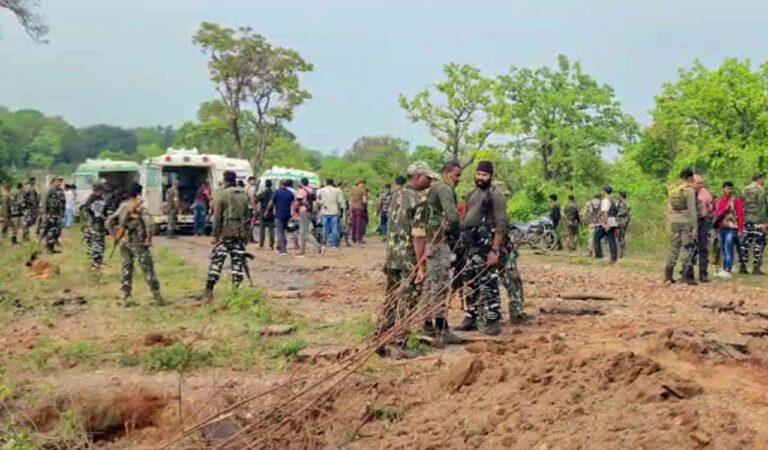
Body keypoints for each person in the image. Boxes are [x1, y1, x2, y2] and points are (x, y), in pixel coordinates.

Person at [377, 162, 435, 356]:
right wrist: (420, 265)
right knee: (407, 298)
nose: (430, 181)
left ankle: (382, 335)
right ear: (417, 176)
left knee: (391, 298)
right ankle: (398, 342)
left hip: (393, 255)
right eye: (428, 177)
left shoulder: (396, 196)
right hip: (409, 256)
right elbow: (418, 235)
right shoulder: (419, 201)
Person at [455, 161, 506, 336]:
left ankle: (493, 319)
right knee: (469, 281)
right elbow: (465, 215)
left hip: (486, 243)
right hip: (470, 243)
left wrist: (495, 249)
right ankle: (471, 316)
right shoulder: (470, 193)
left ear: (491, 176)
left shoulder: (496, 195)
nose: (480, 178)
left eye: (484, 175)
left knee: (488, 282)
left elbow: (501, 223)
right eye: (478, 174)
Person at [421, 160, 463, 344]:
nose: (459, 179)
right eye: (457, 175)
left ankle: (427, 323)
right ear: (447, 173)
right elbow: (452, 216)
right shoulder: (445, 189)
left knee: (430, 282)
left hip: (428, 240)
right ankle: (441, 328)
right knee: (440, 283)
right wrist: (456, 233)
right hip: (438, 241)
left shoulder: (433, 188)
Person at [106, 182, 166, 306]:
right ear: (139, 192)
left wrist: (116, 236)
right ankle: (157, 296)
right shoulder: (141, 207)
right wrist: (148, 239)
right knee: (148, 269)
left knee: (126, 268)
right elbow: (149, 224)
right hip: (139, 243)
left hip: (125, 242)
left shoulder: (123, 206)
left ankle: (126, 296)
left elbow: (109, 222)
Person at [198, 171, 249, 300]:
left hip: (226, 232)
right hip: (240, 231)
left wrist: (215, 235)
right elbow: (248, 215)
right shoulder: (243, 194)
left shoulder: (221, 194)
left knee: (217, 260)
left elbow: (217, 216)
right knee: (237, 261)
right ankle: (236, 291)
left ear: (225, 180)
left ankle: (208, 291)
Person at [664, 168, 698, 285]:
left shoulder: (673, 189)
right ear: (689, 177)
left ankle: (668, 276)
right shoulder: (688, 191)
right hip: (685, 220)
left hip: (674, 220)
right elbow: (692, 210)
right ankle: (686, 276)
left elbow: (670, 207)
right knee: (686, 247)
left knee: (673, 248)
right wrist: (694, 227)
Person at [685, 175, 714, 282]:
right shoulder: (686, 192)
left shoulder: (705, 192)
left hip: (702, 221)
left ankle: (703, 273)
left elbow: (710, 206)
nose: (701, 185)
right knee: (689, 248)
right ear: (692, 183)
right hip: (689, 222)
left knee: (703, 247)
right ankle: (688, 273)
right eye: (699, 183)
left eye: (702, 183)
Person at [738, 173, 768, 275]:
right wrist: (764, 222)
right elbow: (762, 207)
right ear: (759, 179)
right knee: (759, 243)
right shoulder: (760, 191)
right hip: (757, 220)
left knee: (744, 244)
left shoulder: (744, 190)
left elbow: (740, 205)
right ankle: (756, 267)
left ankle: (742, 266)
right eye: (763, 179)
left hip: (746, 219)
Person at [713, 181, 744, 278]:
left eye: (730, 189)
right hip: (721, 228)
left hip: (732, 228)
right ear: (723, 189)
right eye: (727, 188)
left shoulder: (735, 200)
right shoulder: (719, 200)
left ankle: (728, 269)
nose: (729, 191)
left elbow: (740, 215)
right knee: (722, 249)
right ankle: (724, 268)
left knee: (728, 248)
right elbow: (716, 214)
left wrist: (740, 229)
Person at [83, 183, 107, 270]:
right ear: (100, 190)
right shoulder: (97, 201)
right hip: (96, 226)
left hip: (90, 226)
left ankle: (94, 262)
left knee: (92, 244)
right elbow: (99, 214)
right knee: (98, 244)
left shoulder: (89, 199)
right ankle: (96, 263)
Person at [296, 177, 321, 257]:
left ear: (301, 183)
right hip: (310, 211)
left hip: (303, 211)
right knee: (302, 232)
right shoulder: (311, 190)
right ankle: (302, 251)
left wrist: (295, 210)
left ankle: (318, 246)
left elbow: (298, 201)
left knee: (304, 232)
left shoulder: (301, 191)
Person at [269, 180, 296, 255]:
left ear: (280, 185)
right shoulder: (290, 193)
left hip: (279, 214)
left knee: (280, 232)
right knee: (284, 231)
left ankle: (283, 250)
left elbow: (271, 202)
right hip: (287, 215)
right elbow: (293, 204)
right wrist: (293, 214)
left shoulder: (277, 192)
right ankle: (279, 246)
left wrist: (267, 211)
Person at [317, 179, 345, 249]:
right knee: (334, 228)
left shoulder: (321, 191)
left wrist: (321, 203)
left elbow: (318, 200)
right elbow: (340, 202)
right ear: (332, 183)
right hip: (334, 211)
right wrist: (342, 211)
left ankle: (324, 242)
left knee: (324, 228)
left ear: (326, 183)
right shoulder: (337, 191)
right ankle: (334, 244)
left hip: (325, 211)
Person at [594, 186, 618, 263]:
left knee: (596, 237)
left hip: (607, 221)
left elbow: (605, 212)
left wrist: (604, 222)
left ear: (604, 191)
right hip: (613, 221)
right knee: (611, 239)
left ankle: (599, 256)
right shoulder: (613, 200)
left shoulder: (605, 200)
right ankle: (614, 258)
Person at [41, 177, 65, 254]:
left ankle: (52, 247)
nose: (59, 183)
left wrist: (62, 213)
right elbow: (44, 202)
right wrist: (45, 214)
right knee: (50, 231)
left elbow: (63, 202)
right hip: (50, 214)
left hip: (58, 214)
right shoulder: (49, 190)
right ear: (53, 182)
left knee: (57, 231)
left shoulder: (61, 191)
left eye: (59, 182)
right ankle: (48, 248)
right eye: (57, 182)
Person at [255, 180, 276, 250]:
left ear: (265, 185)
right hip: (270, 212)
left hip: (262, 212)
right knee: (271, 230)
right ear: (271, 185)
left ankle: (261, 244)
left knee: (262, 229)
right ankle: (271, 245)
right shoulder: (273, 193)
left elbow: (255, 201)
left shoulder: (262, 193)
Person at [616, 191, 631, 258]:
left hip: (621, 220)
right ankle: (621, 251)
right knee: (621, 236)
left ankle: (620, 251)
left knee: (620, 236)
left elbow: (626, 209)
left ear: (620, 196)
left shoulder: (623, 202)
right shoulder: (625, 202)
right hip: (624, 220)